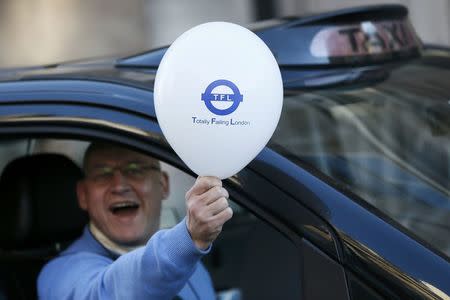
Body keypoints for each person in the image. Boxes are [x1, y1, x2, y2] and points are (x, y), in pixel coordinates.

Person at [37, 142, 233, 299]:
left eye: (134, 169)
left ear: (163, 184)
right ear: (83, 195)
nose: (119, 185)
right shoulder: (60, 275)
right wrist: (188, 238)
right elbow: (108, 292)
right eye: (103, 174)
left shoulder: (192, 264)